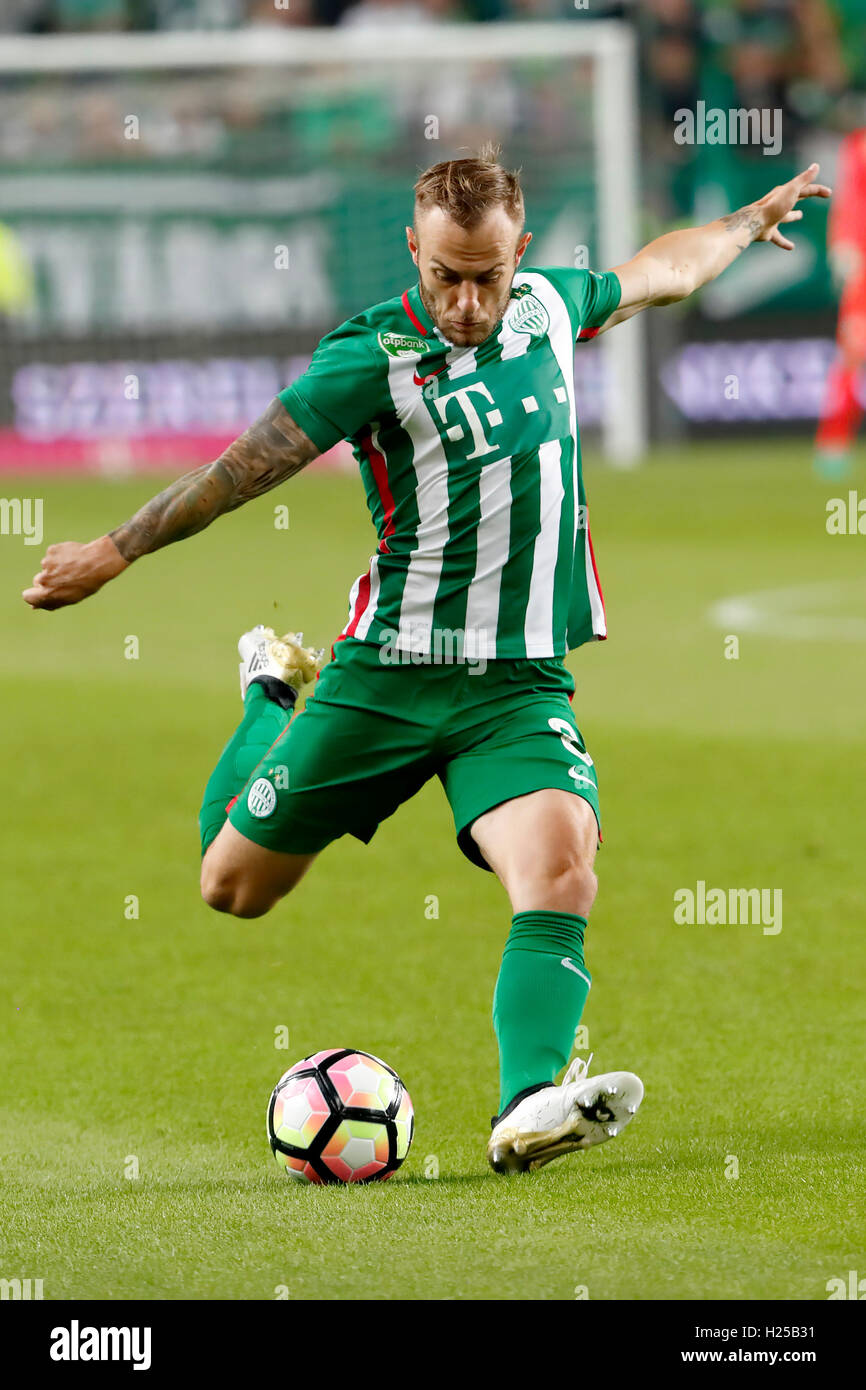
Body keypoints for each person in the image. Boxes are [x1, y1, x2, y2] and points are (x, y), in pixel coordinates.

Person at [23, 147, 830, 1174]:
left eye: (485, 275)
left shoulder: (545, 305)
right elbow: (239, 470)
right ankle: (271, 695)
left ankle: (531, 1101)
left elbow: (657, 274)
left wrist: (738, 224)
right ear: (413, 250)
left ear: (519, 255)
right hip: (385, 674)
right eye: (444, 274)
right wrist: (112, 550)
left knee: (561, 868)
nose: (464, 300)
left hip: (514, 686)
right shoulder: (369, 358)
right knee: (231, 886)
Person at [815, 127, 866, 478]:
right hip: (863, 265)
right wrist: (843, 245)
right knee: (854, 350)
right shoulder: (858, 145)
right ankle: (833, 440)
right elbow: (849, 200)